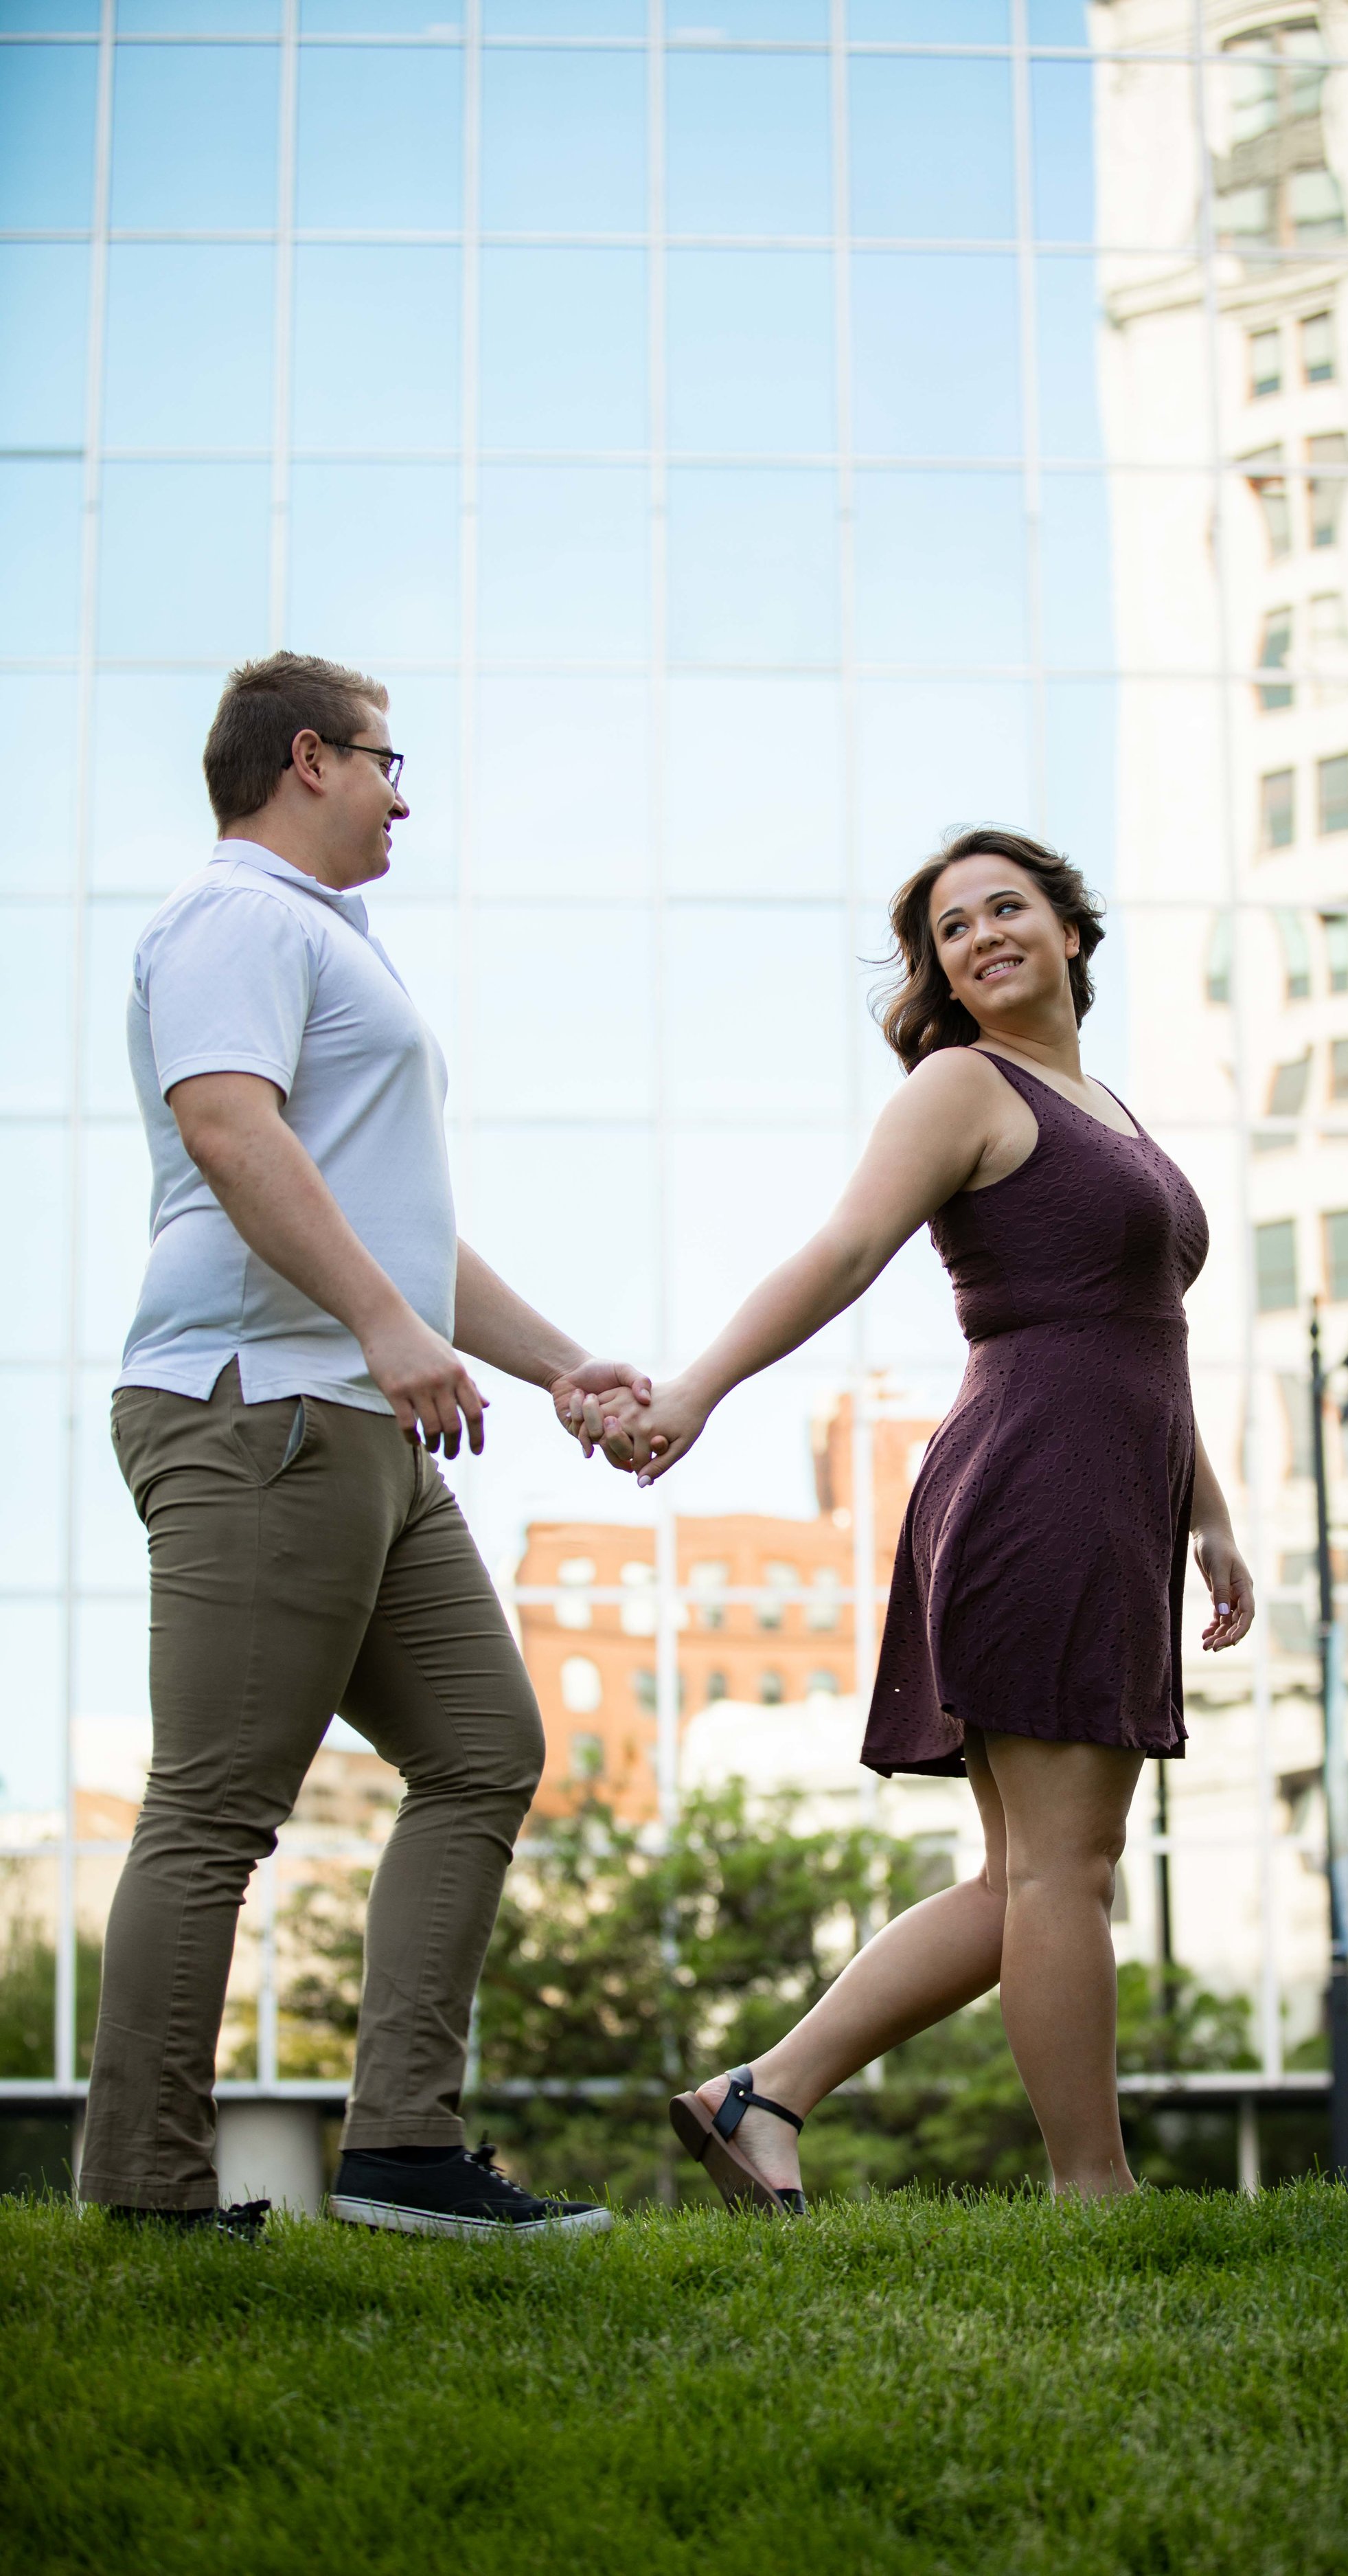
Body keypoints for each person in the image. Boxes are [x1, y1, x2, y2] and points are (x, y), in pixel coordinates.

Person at [569, 828, 1255, 2209]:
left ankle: (761, 2095)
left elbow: (1141, 1335)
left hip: (1108, 1491)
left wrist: (1209, 1517)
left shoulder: (1104, 1106)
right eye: (951, 928)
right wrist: (697, 1387)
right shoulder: (962, 1085)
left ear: (1071, 931)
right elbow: (838, 1250)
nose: (981, 936)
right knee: (1066, 1870)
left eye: (1008, 908)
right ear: (939, 970)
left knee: (1026, 1879)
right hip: (1037, 1485)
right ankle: (1091, 2193)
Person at [82, 651, 645, 2241]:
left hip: (358, 1413)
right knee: (214, 1809)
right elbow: (229, 1128)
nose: (406, 798)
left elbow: (394, 1226)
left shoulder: (334, 945)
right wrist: (393, 1338)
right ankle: (144, 2197)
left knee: (482, 1749)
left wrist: (548, 1365)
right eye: (393, 764)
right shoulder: (236, 918)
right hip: (257, 1400)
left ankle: (403, 2149)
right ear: (310, 758)